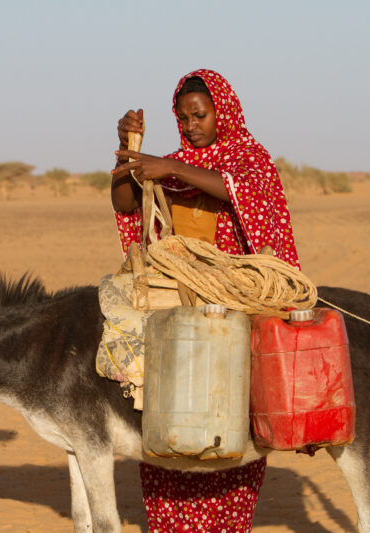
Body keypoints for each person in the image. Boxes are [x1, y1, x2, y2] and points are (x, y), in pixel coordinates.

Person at [111, 69, 300, 531]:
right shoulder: (170, 160)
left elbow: (247, 195)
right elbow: (124, 205)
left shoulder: (250, 160)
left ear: (224, 111)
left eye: (200, 114)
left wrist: (171, 168)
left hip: (233, 305)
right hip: (177, 304)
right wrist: (127, 151)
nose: (191, 125)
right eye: (183, 117)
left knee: (229, 415)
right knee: (165, 413)